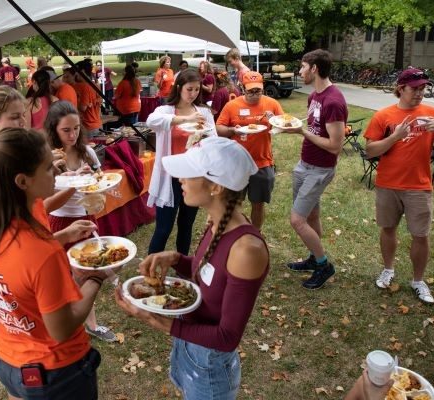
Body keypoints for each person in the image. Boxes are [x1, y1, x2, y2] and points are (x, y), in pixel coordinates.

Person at [115, 137, 269, 400]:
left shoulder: (246, 250)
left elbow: (227, 337)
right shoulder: (216, 221)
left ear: (216, 187)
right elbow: (211, 274)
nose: (180, 180)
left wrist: (157, 321)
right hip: (189, 343)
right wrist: (176, 259)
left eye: (188, 174)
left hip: (209, 363)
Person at [0, 128, 103, 400]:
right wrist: (96, 278)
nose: (56, 171)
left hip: (8, 361)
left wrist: (63, 235)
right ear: (22, 181)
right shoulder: (42, 252)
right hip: (56, 372)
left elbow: (14, 275)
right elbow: (62, 329)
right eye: (48, 167)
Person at [364, 67, 434, 304]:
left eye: (423, 88)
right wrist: (395, 136)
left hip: (419, 186)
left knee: (420, 235)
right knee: (388, 229)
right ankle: (388, 269)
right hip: (388, 184)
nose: (420, 93)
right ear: (401, 88)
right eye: (415, 88)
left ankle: (418, 280)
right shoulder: (383, 116)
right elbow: (370, 150)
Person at [44, 101, 116, 342]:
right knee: (61, 276)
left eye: (76, 128)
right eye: (66, 130)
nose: (73, 134)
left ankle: (90, 324)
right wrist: (71, 180)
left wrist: (95, 185)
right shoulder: (47, 159)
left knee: (87, 270)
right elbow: (43, 200)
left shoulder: (88, 152)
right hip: (59, 221)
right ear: (53, 129)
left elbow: (100, 183)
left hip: (86, 217)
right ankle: (62, 322)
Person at [284, 49, 348, 290]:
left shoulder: (333, 101)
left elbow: (335, 146)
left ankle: (323, 265)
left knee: (297, 220)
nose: (300, 71)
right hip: (304, 164)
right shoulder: (314, 97)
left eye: (302, 67)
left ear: (314, 69)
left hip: (320, 169)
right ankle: (314, 256)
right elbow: (315, 128)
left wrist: (301, 131)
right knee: (311, 216)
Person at [146, 69, 216, 255]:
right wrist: (184, 119)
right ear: (178, 88)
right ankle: (149, 270)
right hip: (169, 177)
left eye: (196, 90)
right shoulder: (165, 110)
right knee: (164, 228)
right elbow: (151, 121)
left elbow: (213, 140)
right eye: (189, 89)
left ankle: (182, 268)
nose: (193, 94)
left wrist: (205, 136)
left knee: (186, 225)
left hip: (193, 176)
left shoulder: (203, 112)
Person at [216, 71, 283, 231]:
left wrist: (274, 119)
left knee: (258, 204)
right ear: (242, 87)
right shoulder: (232, 105)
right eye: (250, 90)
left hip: (262, 163)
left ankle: (255, 233)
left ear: (262, 88)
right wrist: (233, 130)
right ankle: (232, 235)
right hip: (237, 164)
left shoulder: (272, 104)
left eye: (258, 90)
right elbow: (219, 128)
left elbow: (284, 125)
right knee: (232, 203)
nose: (254, 94)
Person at [72, 61, 103, 137]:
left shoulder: (83, 86)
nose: (74, 74)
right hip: (97, 124)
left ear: (81, 71)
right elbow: (100, 101)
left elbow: (83, 107)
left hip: (88, 127)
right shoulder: (95, 84)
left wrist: (73, 102)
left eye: (75, 72)